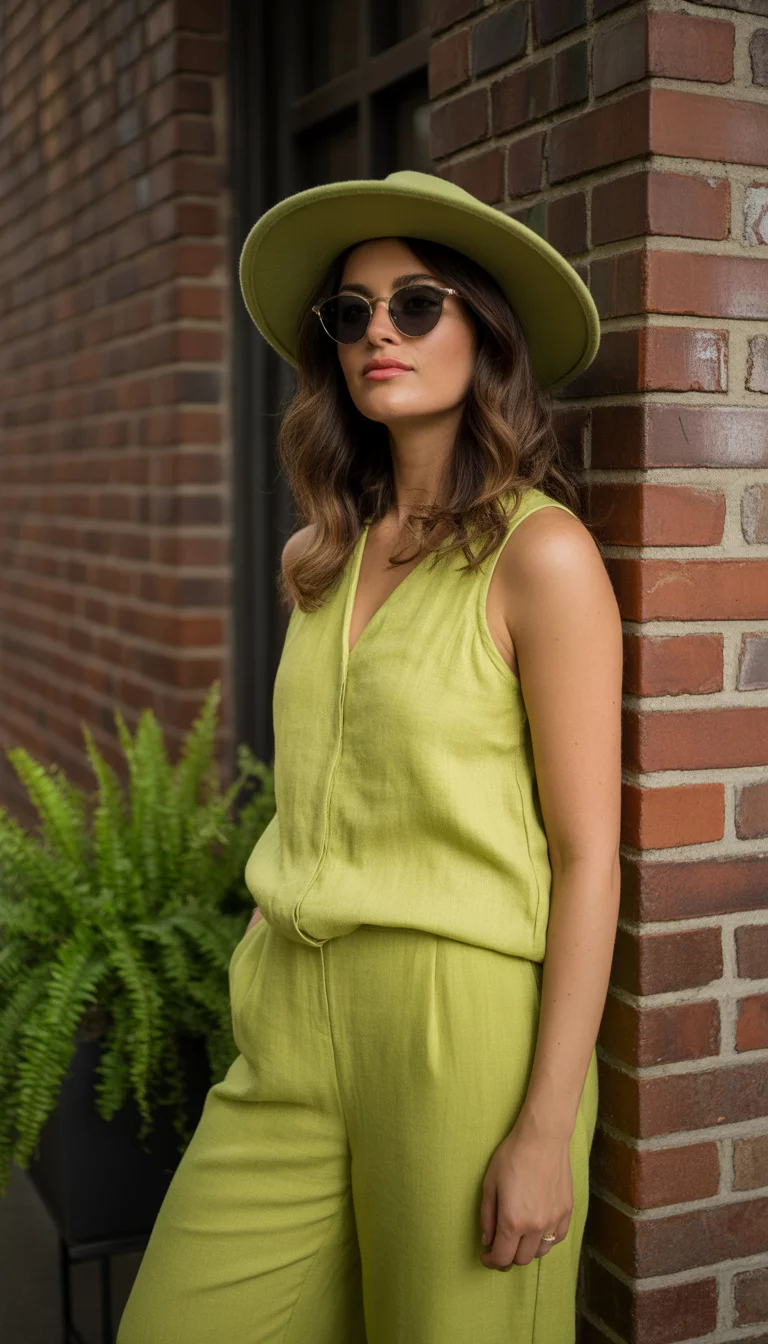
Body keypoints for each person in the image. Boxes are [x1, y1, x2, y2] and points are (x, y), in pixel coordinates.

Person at [117, 169, 622, 1344]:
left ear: (483, 331)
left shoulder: (540, 560)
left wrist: (546, 1124)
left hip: (457, 1024)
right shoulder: (323, 554)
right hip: (290, 1010)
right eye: (350, 314)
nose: (376, 334)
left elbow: (591, 857)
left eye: (415, 305)